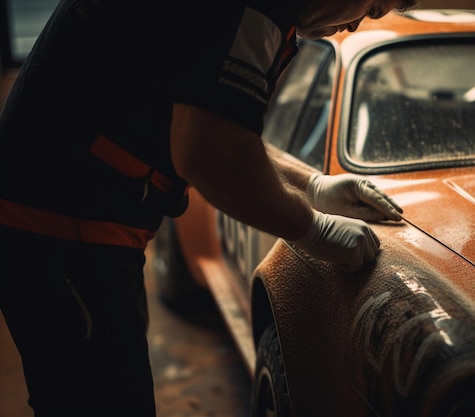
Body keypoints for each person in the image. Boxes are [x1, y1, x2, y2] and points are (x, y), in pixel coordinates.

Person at [0, 0, 417, 415]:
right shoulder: (263, 5)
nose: (353, 26)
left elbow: (212, 122)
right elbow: (208, 150)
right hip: (62, 227)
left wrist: (313, 185)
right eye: (372, 6)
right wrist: (312, 228)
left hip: (67, 221)